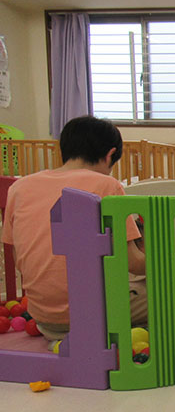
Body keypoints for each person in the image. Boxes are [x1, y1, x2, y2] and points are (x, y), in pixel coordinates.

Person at [2, 115, 147, 344]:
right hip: (93, 318)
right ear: (110, 155)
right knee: (164, 292)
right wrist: (164, 261)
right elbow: (135, 264)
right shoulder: (106, 185)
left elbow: (17, 257)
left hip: (43, 316)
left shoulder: (19, 188)